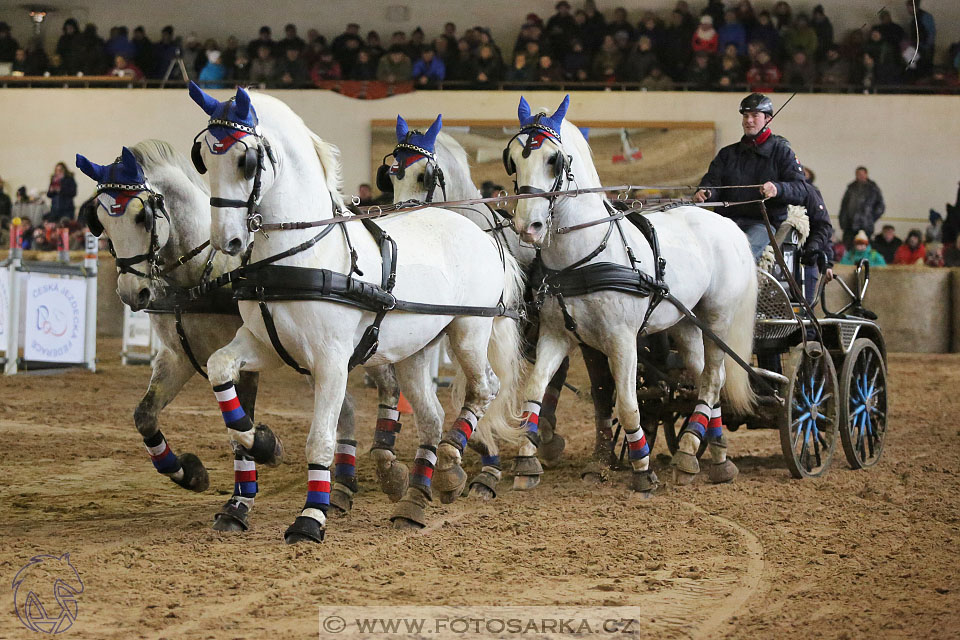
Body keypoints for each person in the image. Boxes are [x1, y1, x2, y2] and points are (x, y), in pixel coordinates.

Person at [695, 93, 808, 260]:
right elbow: (713, 181)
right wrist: (706, 192)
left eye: (755, 115)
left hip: (763, 224)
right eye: (746, 116)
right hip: (726, 221)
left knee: (741, 256)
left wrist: (777, 189)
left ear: (768, 119)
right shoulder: (727, 154)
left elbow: (801, 189)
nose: (748, 120)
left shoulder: (782, 153)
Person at [838, 166, 884, 249]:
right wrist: (842, 221)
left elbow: (881, 206)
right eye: (858, 174)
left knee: (864, 247)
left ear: (866, 174)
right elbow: (844, 206)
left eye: (862, 174)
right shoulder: (851, 188)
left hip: (865, 226)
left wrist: (870, 217)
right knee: (848, 247)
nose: (860, 176)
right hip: (850, 225)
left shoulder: (873, 188)